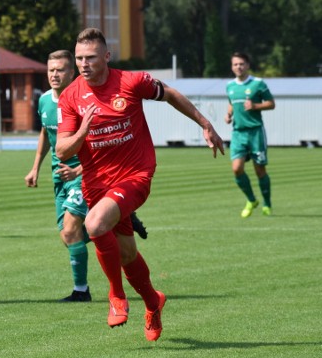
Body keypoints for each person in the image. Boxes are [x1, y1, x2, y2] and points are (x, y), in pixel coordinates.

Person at [56, 28, 224, 341]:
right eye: (79, 58)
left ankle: (116, 296)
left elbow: (170, 94)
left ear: (106, 56)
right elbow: (63, 150)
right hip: (96, 183)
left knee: (93, 224)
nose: (83, 64)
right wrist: (84, 130)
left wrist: (206, 125)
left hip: (135, 173)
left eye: (90, 57)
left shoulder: (132, 82)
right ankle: (153, 301)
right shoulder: (70, 97)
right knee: (127, 254)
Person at [26, 50, 149, 303]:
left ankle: (82, 291)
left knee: (73, 229)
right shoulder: (45, 101)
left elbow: (103, 146)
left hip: (84, 175)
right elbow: (46, 133)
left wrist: (78, 170)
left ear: (71, 73)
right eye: (51, 70)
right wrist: (36, 166)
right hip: (59, 174)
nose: (55, 75)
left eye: (60, 70)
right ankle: (117, 219)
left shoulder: (82, 100)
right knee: (68, 235)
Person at [225, 52, 275, 217]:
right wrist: (229, 114)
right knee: (236, 168)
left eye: (241, 64)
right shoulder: (230, 86)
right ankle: (252, 200)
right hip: (238, 133)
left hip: (255, 132)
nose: (238, 67)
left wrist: (255, 106)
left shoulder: (258, 84)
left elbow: (271, 104)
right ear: (232, 67)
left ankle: (267, 203)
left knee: (259, 170)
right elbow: (232, 104)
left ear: (247, 65)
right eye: (235, 64)